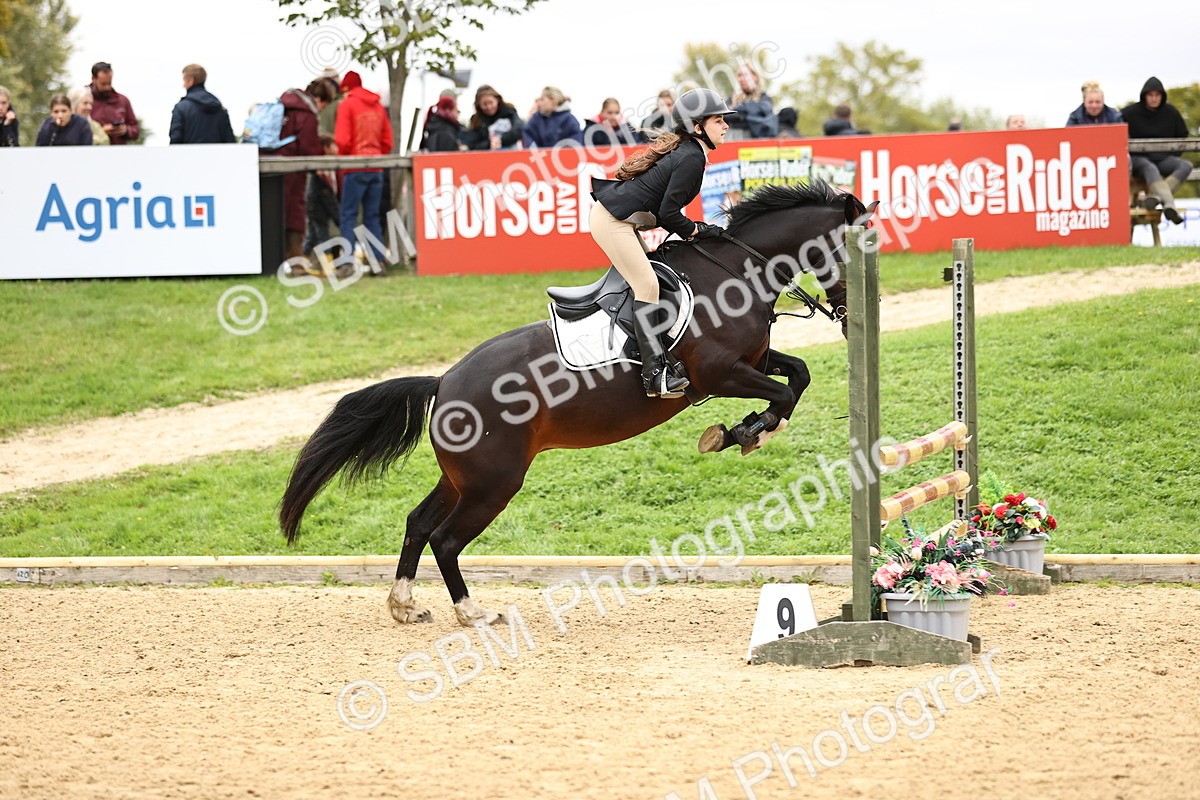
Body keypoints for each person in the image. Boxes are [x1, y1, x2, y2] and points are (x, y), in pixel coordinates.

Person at [588, 88, 736, 398]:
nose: (726, 126)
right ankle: (653, 375)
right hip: (613, 221)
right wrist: (698, 231)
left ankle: (645, 348)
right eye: (719, 120)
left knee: (654, 279)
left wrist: (699, 229)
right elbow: (669, 213)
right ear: (697, 127)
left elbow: (665, 212)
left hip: (622, 220)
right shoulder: (692, 157)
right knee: (648, 287)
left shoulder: (692, 152)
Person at [334, 70, 394, 270]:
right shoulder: (377, 105)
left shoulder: (347, 104)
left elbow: (342, 140)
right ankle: (378, 260)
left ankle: (347, 262)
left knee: (348, 215)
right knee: (372, 216)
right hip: (376, 167)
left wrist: (345, 156)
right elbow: (387, 141)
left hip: (354, 166)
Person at [1122, 77, 1191, 225]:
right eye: (1150, 95)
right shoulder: (1130, 113)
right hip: (1139, 161)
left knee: (1185, 165)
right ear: (1144, 96)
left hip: (1164, 159)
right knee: (1150, 167)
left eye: (1157, 95)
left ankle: (1157, 197)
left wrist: (1173, 155)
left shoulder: (1171, 112)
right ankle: (1169, 203)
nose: (1154, 98)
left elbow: (1183, 135)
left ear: (1162, 96)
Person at [273, 80, 326, 266]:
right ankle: (294, 258)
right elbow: (309, 147)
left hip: (270, 164)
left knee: (273, 210)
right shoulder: (306, 114)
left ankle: (273, 259)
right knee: (294, 211)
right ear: (319, 99)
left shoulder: (281, 106)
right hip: (292, 170)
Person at [303, 133, 344, 276]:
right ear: (326, 147)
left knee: (312, 237)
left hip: (319, 208)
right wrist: (337, 216)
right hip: (317, 208)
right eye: (334, 145)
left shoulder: (331, 166)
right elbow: (325, 194)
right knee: (322, 237)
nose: (337, 148)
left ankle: (303, 263)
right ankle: (326, 268)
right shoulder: (320, 169)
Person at [169, 64, 236, 144]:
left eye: (184, 80)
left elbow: (176, 140)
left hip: (189, 156)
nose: (183, 85)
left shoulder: (181, 108)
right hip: (215, 156)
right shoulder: (219, 108)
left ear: (190, 80)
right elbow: (229, 142)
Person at [86, 61, 138, 144]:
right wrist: (100, 132)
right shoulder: (83, 100)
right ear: (94, 79)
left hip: (118, 153)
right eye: (103, 84)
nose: (107, 87)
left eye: (109, 83)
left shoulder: (123, 101)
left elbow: (135, 130)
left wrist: (126, 130)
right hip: (91, 153)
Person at [459, 85, 524, 150]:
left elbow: (519, 129)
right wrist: (489, 144)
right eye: (484, 104)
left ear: (497, 100)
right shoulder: (476, 120)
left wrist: (501, 140)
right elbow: (472, 144)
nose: (489, 107)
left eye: (491, 103)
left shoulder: (509, 112)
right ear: (479, 104)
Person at [726, 63, 777, 139]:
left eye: (745, 75)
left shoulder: (763, 97)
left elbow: (765, 111)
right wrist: (747, 113)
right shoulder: (732, 98)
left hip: (755, 142)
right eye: (739, 75)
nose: (741, 79)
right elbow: (724, 115)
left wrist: (738, 111)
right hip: (732, 139)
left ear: (755, 77)